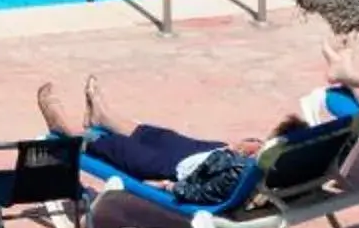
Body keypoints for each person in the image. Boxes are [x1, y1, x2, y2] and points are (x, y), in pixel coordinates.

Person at [36, 75, 313, 208]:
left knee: (120, 149)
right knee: (161, 136)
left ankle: (63, 127)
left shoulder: (239, 176)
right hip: (209, 154)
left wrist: (170, 186)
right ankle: (104, 116)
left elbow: (205, 192)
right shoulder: (295, 164)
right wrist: (246, 149)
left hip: (179, 170)